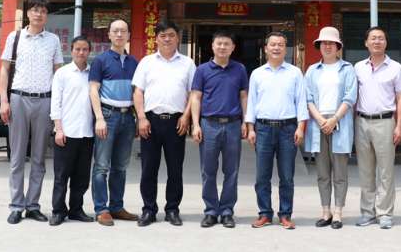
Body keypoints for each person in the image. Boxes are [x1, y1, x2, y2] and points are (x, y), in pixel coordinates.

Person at [0, 0, 64, 225]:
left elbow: (58, 73)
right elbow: (5, 69)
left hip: (44, 101)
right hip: (18, 99)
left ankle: (33, 205)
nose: (39, 14)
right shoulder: (14, 37)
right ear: (28, 14)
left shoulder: (53, 40)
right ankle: (17, 205)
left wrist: (57, 107)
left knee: (38, 157)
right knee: (17, 156)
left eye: (43, 11)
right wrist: (4, 100)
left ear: (47, 16)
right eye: (35, 10)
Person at [132, 22, 196, 227]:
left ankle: (172, 210)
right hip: (150, 121)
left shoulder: (187, 63)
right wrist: (141, 117)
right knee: (148, 169)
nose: (167, 39)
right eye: (162, 35)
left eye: (171, 35)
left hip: (177, 122)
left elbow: (193, 94)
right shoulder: (147, 62)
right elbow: (138, 92)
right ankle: (149, 210)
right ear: (156, 38)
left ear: (177, 38)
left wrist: (186, 117)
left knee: (175, 169)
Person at [245, 32, 308, 230]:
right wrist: (250, 128)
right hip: (263, 128)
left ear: (285, 48)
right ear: (266, 48)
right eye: (273, 44)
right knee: (262, 176)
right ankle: (264, 213)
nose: (276, 48)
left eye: (280, 44)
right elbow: (252, 103)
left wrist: (300, 127)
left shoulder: (295, 73)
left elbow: (301, 101)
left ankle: (285, 214)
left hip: (288, 129)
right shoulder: (257, 73)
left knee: (287, 176)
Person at [190, 30, 249, 228]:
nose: (222, 47)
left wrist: (245, 122)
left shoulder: (239, 69)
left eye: (226, 44)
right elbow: (196, 97)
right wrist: (195, 124)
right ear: (212, 46)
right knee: (208, 170)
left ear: (233, 47)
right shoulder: (202, 70)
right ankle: (210, 211)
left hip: (233, 124)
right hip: (209, 124)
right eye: (219, 43)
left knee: (232, 170)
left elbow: (244, 96)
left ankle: (226, 211)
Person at [353, 27, 401, 229]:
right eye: (373, 38)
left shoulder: (395, 67)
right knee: (365, 171)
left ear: (386, 42)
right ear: (366, 43)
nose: (377, 41)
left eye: (381, 38)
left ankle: (384, 213)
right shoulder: (358, 67)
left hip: (385, 122)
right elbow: (352, 97)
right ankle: (367, 213)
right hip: (361, 122)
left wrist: (399, 125)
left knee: (386, 171)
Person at [303, 26, 357, 230]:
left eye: (331, 43)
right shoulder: (312, 70)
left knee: (340, 173)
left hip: (340, 122)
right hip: (318, 123)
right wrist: (320, 119)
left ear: (338, 46)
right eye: (324, 43)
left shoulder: (347, 69)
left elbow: (350, 97)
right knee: (323, 172)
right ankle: (326, 211)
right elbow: (307, 98)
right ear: (319, 46)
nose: (327, 46)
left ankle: (338, 212)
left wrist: (334, 119)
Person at [89, 19, 140, 226]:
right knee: (102, 166)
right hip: (107, 116)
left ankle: (117, 207)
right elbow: (93, 90)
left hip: (128, 117)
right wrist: (99, 118)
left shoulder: (134, 62)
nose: (119, 34)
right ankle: (101, 209)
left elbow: (137, 92)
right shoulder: (100, 60)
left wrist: (139, 117)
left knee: (121, 166)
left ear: (128, 35)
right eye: (115, 31)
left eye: (123, 31)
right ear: (109, 35)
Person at [49, 36, 95, 226]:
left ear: (89, 52)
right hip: (66, 133)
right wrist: (58, 129)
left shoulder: (93, 74)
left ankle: (76, 210)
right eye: (77, 49)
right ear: (71, 50)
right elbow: (55, 103)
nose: (81, 53)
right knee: (61, 176)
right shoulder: (63, 73)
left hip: (87, 133)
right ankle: (58, 211)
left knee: (82, 177)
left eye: (85, 49)